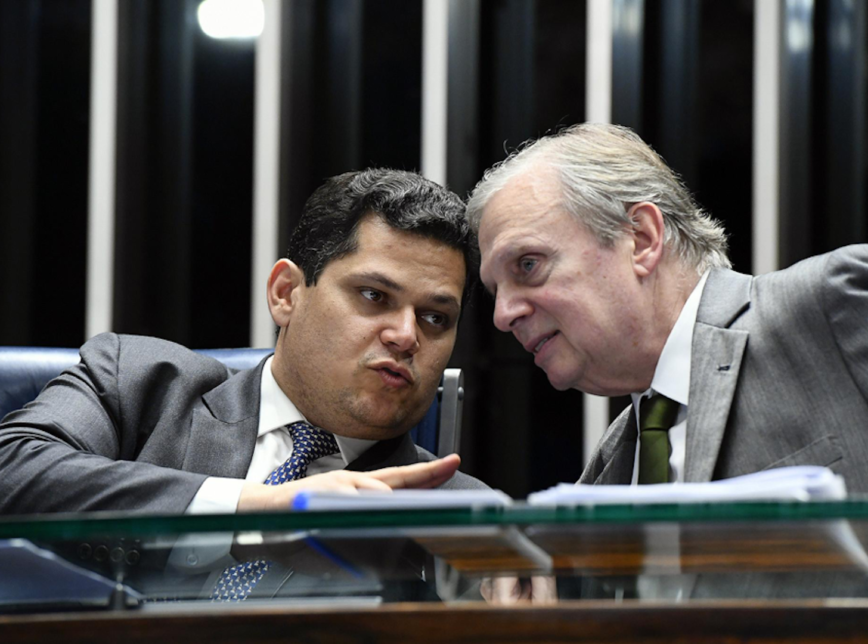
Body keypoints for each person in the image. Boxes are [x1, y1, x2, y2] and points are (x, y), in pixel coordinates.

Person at [0, 168, 487, 519]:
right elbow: (12, 469)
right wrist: (257, 507)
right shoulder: (139, 383)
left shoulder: (462, 511)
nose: (406, 335)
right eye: (373, 295)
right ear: (286, 294)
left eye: (435, 317)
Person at [466, 122, 868, 493]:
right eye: (495, 289)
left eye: (528, 265)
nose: (503, 315)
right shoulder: (604, 473)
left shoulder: (831, 304)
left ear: (641, 239)